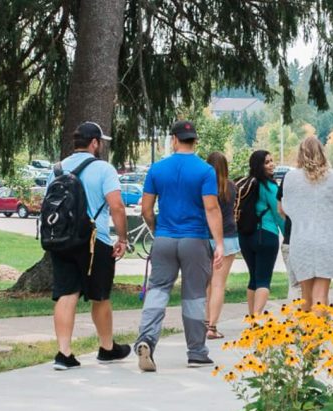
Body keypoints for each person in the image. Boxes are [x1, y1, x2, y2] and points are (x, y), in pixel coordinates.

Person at [134, 120, 227, 371]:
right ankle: (196, 352)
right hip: (194, 240)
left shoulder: (157, 169)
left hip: (164, 238)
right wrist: (218, 243)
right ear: (194, 141)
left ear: (173, 139)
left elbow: (146, 209)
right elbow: (211, 207)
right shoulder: (205, 171)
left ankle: (146, 340)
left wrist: (156, 229)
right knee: (194, 296)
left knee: (157, 292)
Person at [48, 121, 131, 370]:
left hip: (62, 240)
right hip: (97, 241)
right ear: (94, 143)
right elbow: (116, 205)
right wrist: (123, 238)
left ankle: (64, 353)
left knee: (66, 293)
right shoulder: (104, 169)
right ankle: (107, 348)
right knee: (100, 295)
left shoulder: (57, 169)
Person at [278, 135, 333, 312]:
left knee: (305, 295)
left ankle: (306, 334)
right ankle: (317, 335)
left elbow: (285, 208)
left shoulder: (291, 178)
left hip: (301, 240)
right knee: (321, 295)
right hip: (327, 240)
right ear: (322, 153)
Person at [233, 150, 283, 317]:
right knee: (263, 280)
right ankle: (256, 318)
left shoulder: (246, 183)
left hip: (245, 236)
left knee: (253, 278)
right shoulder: (269, 186)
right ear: (259, 165)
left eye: (271, 160)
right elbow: (278, 213)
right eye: (267, 162)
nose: (271, 164)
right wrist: (287, 234)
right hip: (266, 235)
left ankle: (251, 317)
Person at [203, 152, 242, 339]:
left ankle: (204, 322)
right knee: (219, 284)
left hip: (206, 236)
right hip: (227, 237)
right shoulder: (231, 187)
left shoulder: (203, 186)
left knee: (206, 283)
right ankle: (212, 327)